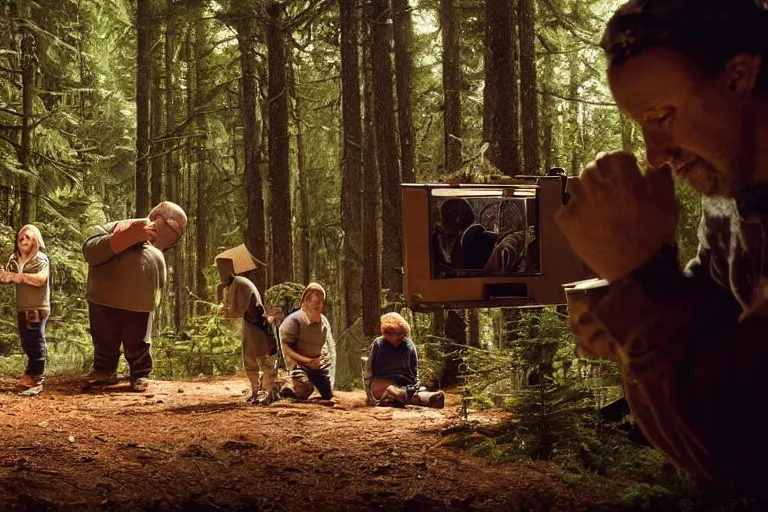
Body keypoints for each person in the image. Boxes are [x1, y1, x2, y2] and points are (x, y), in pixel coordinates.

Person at [554, 0, 768, 497]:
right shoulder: (726, 207)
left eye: (662, 115)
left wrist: (641, 279)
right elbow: (712, 327)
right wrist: (629, 314)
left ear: (737, 77)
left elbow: (745, 446)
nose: (656, 154)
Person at [82, 201, 187, 392]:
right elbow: (90, 250)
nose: (176, 234)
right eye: (173, 225)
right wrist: (127, 237)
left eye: (179, 233)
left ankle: (140, 373)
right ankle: (104, 370)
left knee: (138, 340)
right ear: (156, 217)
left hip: (140, 303)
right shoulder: (119, 227)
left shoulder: (157, 247)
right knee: (104, 336)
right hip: (104, 297)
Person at [215, 244, 278, 405]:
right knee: (250, 359)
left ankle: (266, 391)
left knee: (264, 359)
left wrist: (225, 311)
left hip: (259, 325)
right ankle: (255, 391)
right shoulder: (235, 283)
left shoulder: (240, 283)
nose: (220, 274)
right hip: (250, 325)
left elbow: (237, 309)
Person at [0, 225, 50, 395]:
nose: (24, 240)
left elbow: (41, 279)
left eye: (28, 237)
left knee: (35, 339)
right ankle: (31, 373)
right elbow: (7, 277)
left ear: (36, 240)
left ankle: (36, 375)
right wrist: (5, 275)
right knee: (27, 340)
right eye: (21, 238)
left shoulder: (40, 258)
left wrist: (18, 277)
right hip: (23, 306)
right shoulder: (15, 259)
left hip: (36, 306)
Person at [363, 312, 444, 408]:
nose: (399, 338)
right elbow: (369, 370)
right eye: (396, 335)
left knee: (405, 394)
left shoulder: (408, 344)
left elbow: (414, 370)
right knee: (408, 395)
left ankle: (397, 395)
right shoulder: (379, 344)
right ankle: (404, 396)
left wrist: (415, 386)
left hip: (404, 385)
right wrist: (369, 395)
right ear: (388, 333)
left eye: (401, 335)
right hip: (384, 383)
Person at [278, 282, 336, 400]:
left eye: (319, 302)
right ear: (304, 302)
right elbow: (285, 347)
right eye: (312, 301)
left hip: (316, 364)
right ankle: (284, 384)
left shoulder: (323, 322)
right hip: (298, 364)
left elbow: (325, 344)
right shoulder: (294, 321)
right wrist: (307, 361)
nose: (316, 305)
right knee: (304, 389)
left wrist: (321, 359)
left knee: (327, 394)